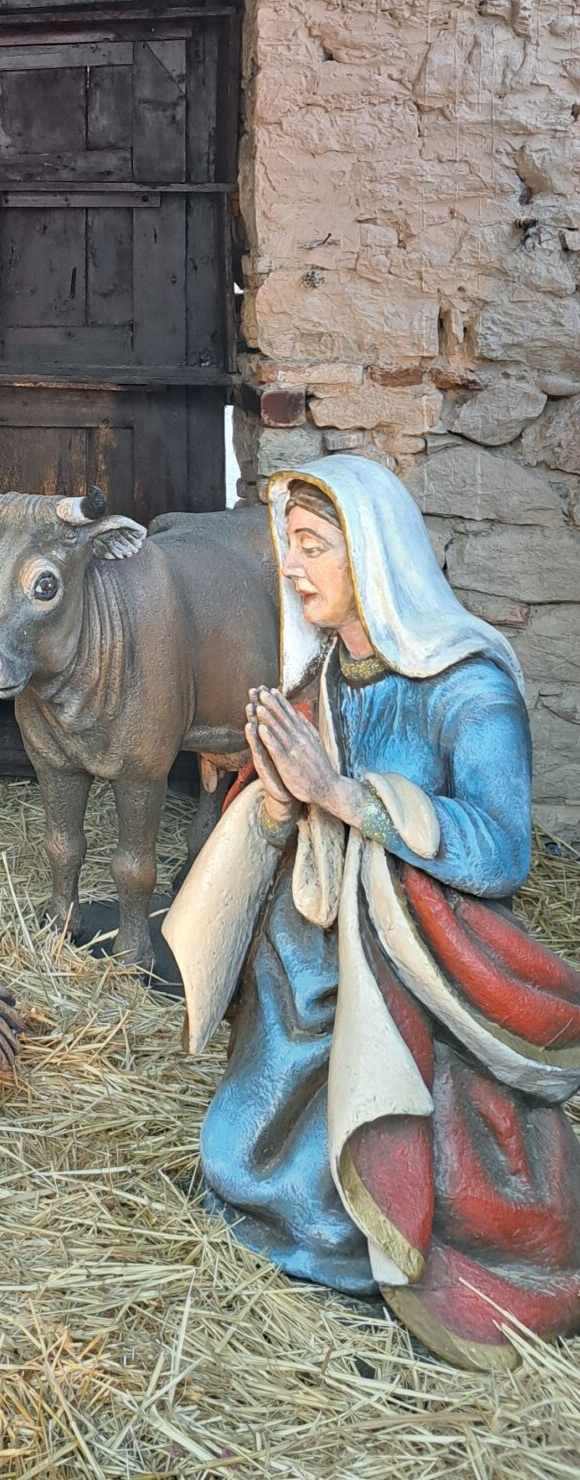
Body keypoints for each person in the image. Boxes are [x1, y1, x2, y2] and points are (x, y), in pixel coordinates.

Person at [165, 454, 580, 1369]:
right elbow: (292, 800)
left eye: (313, 545)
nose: (291, 566)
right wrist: (278, 799)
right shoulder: (328, 678)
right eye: (290, 545)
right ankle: (272, 1191)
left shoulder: (469, 687)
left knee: (368, 1016)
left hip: (421, 947)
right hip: (319, 927)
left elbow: (502, 846)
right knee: (283, 973)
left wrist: (347, 797)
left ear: (374, 555)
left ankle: (361, 1226)